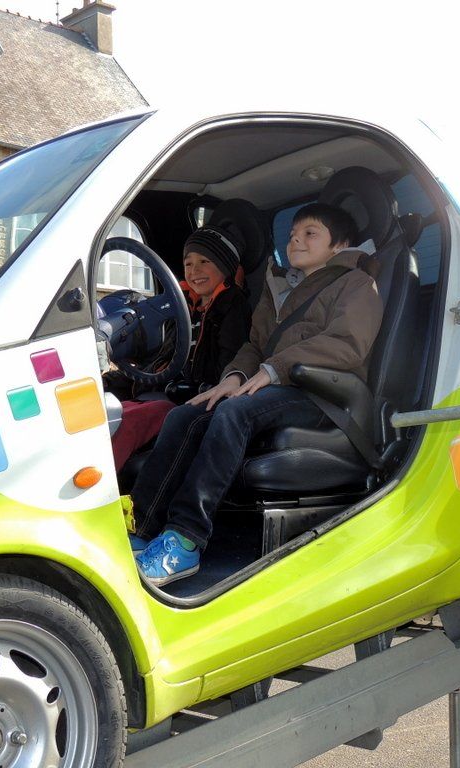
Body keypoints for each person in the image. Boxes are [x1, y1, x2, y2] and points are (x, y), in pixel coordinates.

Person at [129, 203, 384, 586]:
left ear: (339, 245)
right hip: (271, 386)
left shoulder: (357, 284)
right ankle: (143, 529)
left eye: (310, 233)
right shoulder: (279, 286)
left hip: (321, 393)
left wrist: (274, 369)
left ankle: (185, 538)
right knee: (185, 415)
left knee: (235, 412)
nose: (296, 239)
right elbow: (254, 345)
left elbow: (347, 345)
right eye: (293, 233)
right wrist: (233, 377)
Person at [109, 224, 251, 471]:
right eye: (188, 263)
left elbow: (228, 365)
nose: (195, 271)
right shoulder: (181, 307)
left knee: (133, 421)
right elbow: (162, 359)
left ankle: (102, 483)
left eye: (204, 261)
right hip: (160, 390)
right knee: (105, 412)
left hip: (190, 398)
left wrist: (192, 387)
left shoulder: (232, 306)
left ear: (225, 266)